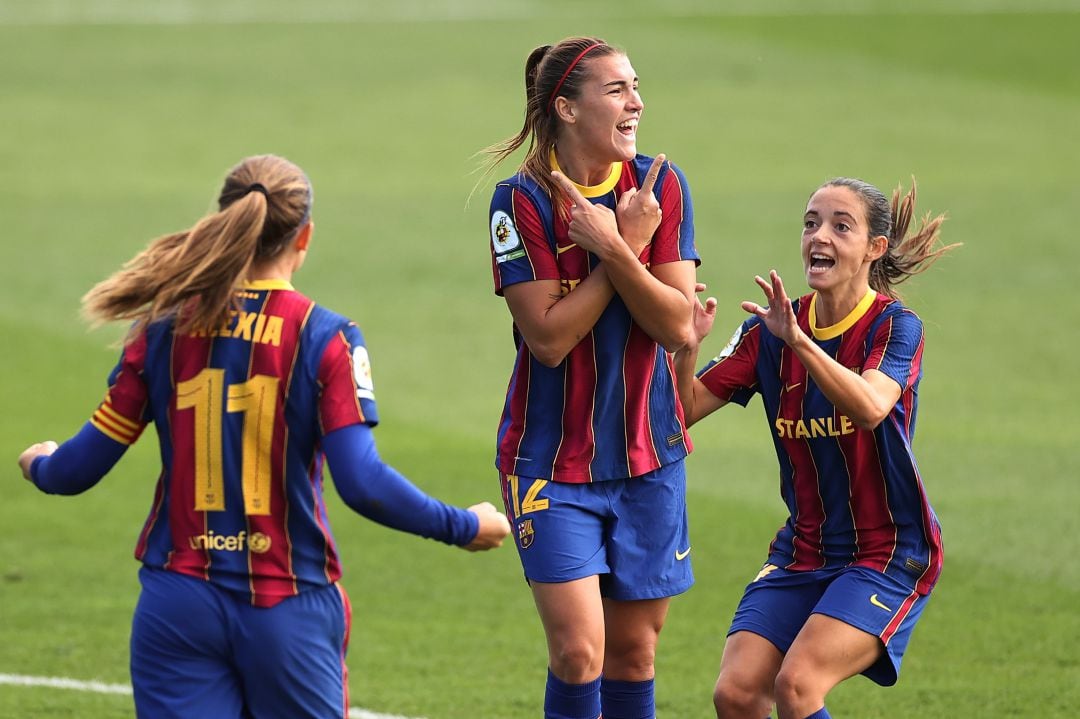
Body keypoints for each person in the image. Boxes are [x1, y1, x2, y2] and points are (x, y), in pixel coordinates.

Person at [17, 154, 511, 719]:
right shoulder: (325, 337)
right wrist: (465, 525)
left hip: (178, 603)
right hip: (287, 603)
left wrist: (41, 463)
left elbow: (76, 469)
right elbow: (362, 483)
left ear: (223, 223)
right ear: (305, 237)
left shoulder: (160, 329)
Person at [675, 177, 957, 719]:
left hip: (887, 551)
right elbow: (682, 410)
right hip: (804, 548)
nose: (818, 237)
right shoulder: (767, 330)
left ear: (875, 248)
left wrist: (800, 342)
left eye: (839, 226)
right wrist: (687, 346)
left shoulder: (896, 327)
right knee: (735, 694)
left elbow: (871, 407)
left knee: (798, 685)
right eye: (811, 223)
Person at [483, 36, 700, 719]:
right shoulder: (518, 201)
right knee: (581, 651)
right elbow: (547, 338)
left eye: (636, 87)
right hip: (548, 461)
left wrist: (613, 246)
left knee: (634, 653)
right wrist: (622, 250)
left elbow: (676, 326)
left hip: (648, 459)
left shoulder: (662, 186)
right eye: (617, 90)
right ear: (567, 109)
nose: (637, 103)